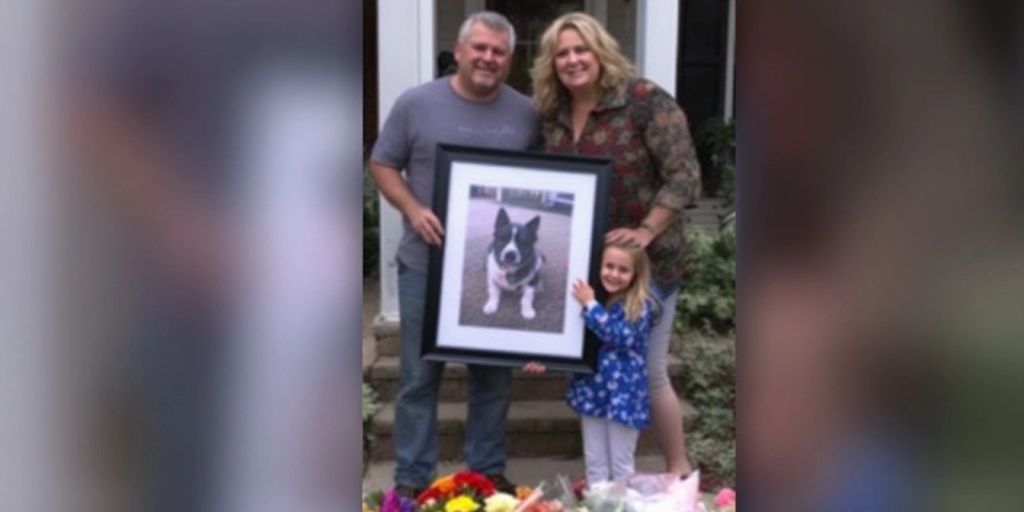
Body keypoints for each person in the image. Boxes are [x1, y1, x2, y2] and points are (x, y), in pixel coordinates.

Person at [369, 11, 538, 498]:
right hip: (426, 266)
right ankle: (411, 481)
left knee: (493, 380)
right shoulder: (417, 103)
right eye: (479, 48)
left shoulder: (525, 113)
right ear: (460, 52)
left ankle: (486, 475)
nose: (488, 58)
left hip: (495, 272)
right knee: (419, 382)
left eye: (498, 51)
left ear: (509, 59)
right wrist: (413, 208)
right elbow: (383, 163)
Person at [531, 12, 701, 478]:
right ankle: (604, 473)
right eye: (562, 53)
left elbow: (685, 177)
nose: (572, 60)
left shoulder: (645, 100)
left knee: (648, 370)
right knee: (592, 365)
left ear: (600, 50)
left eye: (580, 49)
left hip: (646, 270)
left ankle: (677, 466)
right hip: (585, 272)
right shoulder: (552, 115)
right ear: (552, 63)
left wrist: (646, 231)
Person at [527, 241, 658, 484]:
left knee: (621, 465)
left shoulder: (640, 306)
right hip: (593, 391)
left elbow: (619, 337)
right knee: (595, 461)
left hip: (623, 397)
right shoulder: (595, 299)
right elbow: (576, 343)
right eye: (609, 266)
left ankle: (622, 507)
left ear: (636, 274)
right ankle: (599, 504)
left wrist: (590, 304)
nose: (614, 274)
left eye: (623, 270)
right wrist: (547, 360)